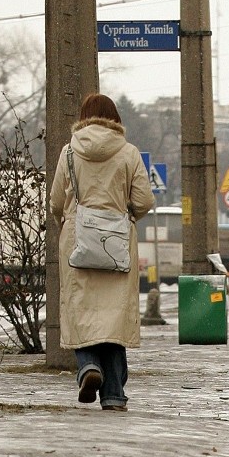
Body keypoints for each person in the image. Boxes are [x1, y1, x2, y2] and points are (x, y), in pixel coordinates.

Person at [49, 92, 153, 411]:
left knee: (81, 309)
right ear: (115, 119)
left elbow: (55, 201)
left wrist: (70, 222)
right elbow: (145, 201)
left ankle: (88, 366)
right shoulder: (129, 153)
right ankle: (114, 394)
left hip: (77, 240)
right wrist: (123, 216)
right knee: (114, 317)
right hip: (117, 242)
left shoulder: (69, 152)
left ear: (83, 117)